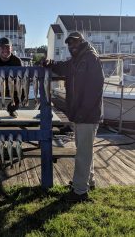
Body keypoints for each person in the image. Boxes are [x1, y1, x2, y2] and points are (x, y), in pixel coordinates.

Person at [45, 31, 104, 202]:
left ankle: (79, 191)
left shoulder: (91, 58)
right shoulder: (76, 60)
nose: (72, 46)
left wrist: (82, 111)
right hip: (79, 114)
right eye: (69, 44)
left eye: (75, 43)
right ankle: (89, 182)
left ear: (82, 42)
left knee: (83, 154)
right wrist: (50, 63)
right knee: (86, 150)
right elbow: (63, 66)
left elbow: (95, 89)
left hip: (87, 115)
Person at [0, 37, 22, 118]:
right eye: (2, 47)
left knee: (22, 92)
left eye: (7, 47)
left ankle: (11, 109)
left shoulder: (17, 61)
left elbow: (21, 78)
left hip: (12, 87)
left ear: (11, 48)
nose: (5, 50)